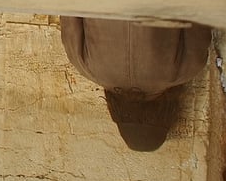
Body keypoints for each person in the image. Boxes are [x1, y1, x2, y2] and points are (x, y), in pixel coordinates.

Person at [60, 15, 213, 151]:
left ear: (166, 114)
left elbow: (198, 12)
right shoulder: (85, 66)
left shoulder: (187, 68)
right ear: (116, 112)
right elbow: (68, 9)